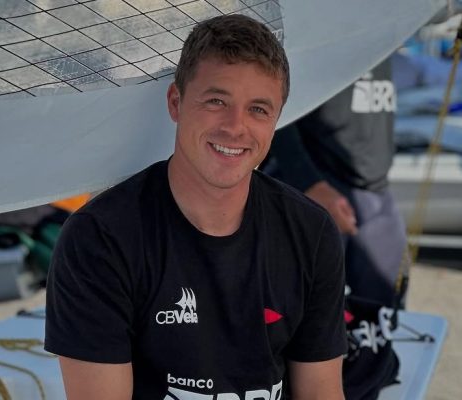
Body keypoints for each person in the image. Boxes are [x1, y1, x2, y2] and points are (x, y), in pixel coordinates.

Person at [45, 14, 347, 400]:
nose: (235, 127)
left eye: (258, 109)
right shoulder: (101, 238)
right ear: (176, 102)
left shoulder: (310, 232)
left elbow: (321, 391)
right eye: (217, 101)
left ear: (276, 120)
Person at [264, 57, 407, 307]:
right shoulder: (312, 37)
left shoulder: (384, 35)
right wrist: (310, 184)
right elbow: (275, 111)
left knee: (383, 314)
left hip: (378, 191)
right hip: (320, 189)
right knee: (301, 312)